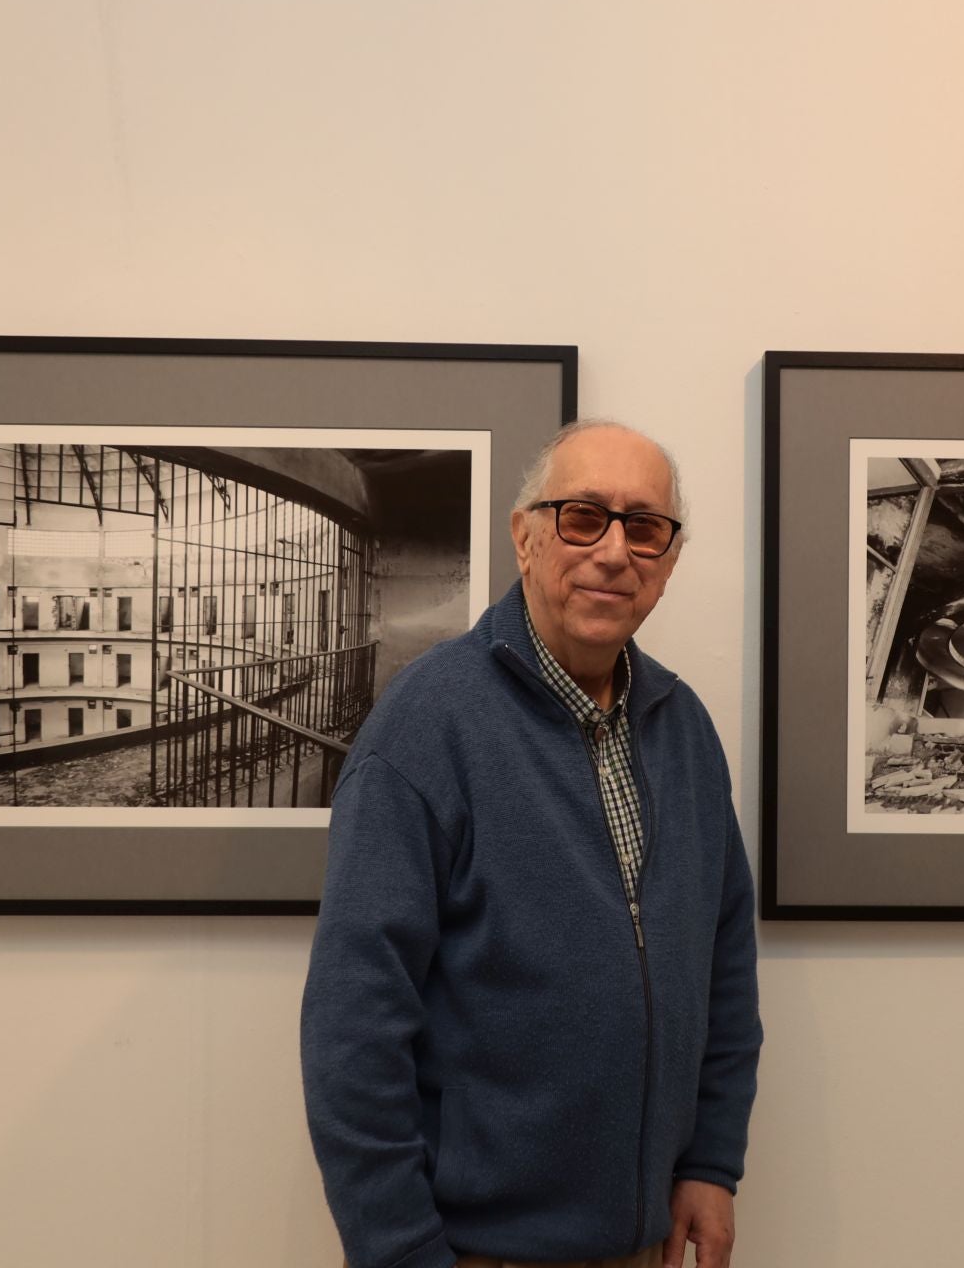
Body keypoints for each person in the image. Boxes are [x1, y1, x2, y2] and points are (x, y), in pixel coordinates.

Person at [301, 420, 763, 1268]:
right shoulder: (427, 726)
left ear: (668, 558)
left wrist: (709, 1162)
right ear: (525, 537)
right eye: (583, 516)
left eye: (645, 526)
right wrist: (400, 1252)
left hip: (649, 1243)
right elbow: (353, 1030)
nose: (615, 550)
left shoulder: (684, 728)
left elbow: (724, 964)